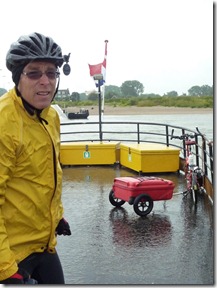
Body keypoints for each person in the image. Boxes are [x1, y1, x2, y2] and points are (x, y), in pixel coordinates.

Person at [0, 32, 71, 284]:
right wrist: (6, 268)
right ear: (18, 77)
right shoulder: (4, 122)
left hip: (43, 243)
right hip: (12, 252)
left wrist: (56, 214)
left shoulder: (50, 115)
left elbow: (46, 175)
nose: (45, 81)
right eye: (34, 73)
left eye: (51, 73)